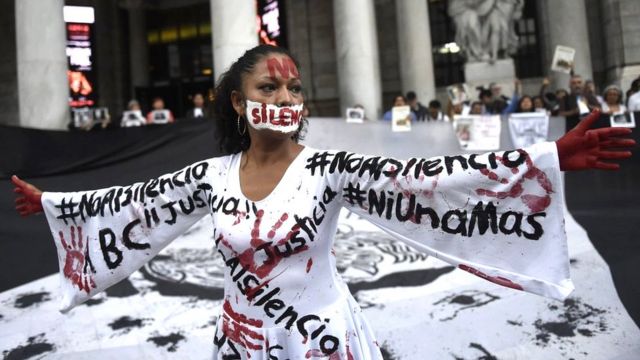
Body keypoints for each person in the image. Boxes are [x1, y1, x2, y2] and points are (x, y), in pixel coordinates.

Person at [12, 45, 635, 360]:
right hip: (242, 342)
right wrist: (55, 205)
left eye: (294, 86)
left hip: (322, 342)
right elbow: (134, 206)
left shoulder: (330, 167)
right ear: (238, 102)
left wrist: (543, 160)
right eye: (268, 86)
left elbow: (427, 178)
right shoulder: (209, 175)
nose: (286, 95)